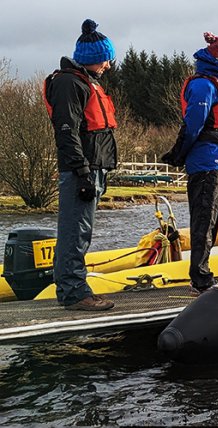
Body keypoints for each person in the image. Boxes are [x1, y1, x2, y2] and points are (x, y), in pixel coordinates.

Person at [43, 19, 117, 310]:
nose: (108, 65)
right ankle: (74, 292)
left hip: (91, 167)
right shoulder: (68, 84)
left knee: (80, 231)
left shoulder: (85, 82)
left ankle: (74, 287)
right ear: (91, 59)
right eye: (105, 59)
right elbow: (66, 131)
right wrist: (83, 172)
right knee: (75, 231)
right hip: (80, 170)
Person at [179, 32, 218, 293]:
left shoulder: (215, 83)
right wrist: (180, 151)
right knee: (204, 218)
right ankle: (200, 277)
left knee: (212, 219)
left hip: (217, 159)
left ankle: (203, 272)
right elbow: (194, 124)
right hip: (206, 161)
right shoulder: (204, 85)